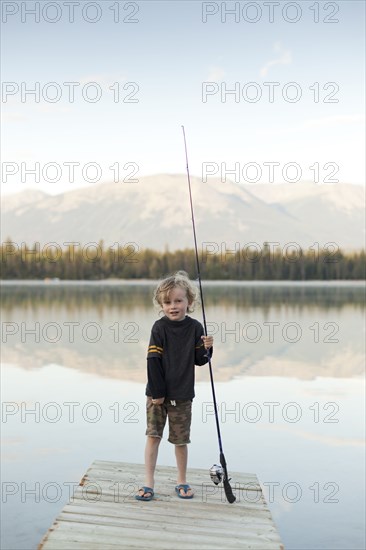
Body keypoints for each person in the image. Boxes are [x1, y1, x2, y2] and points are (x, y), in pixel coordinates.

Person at [135, 270, 213, 501]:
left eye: (178, 301)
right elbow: (153, 361)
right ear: (161, 305)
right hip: (157, 395)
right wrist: (157, 393)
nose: (173, 306)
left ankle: (181, 481)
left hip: (183, 395)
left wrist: (208, 348)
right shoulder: (159, 328)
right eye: (167, 302)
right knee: (153, 437)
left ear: (189, 302)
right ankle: (149, 483)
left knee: (181, 441)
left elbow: (201, 360)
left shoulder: (196, 327)